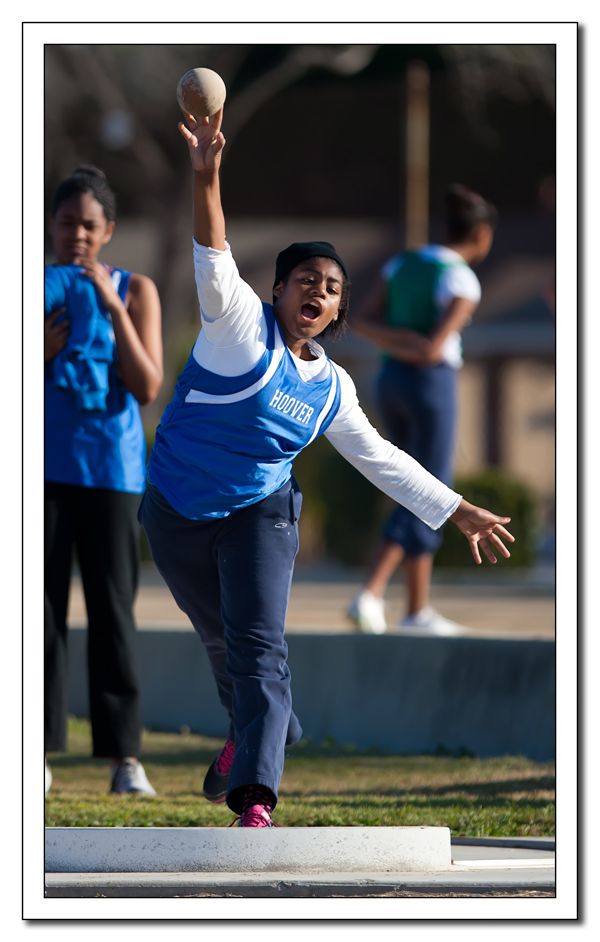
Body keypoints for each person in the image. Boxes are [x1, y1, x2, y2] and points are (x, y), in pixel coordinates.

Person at [139, 106, 514, 828]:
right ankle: (256, 730)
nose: (319, 291)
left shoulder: (332, 387)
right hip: (176, 511)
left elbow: (383, 459)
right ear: (278, 290)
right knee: (227, 647)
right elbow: (212, 252)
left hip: (260, 513)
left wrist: (455, 507)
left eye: (333, 286)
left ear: (338, 310)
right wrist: (208, 173)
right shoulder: (237, 328)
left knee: (260, 648)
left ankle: (255, 798)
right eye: (305, 278)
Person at [44, 166, 163, 796]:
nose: (78, 236)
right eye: (67, 223)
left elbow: (147, 387)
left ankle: (124, 758)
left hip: (113, 471)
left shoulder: (136, 288)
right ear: (51, 225)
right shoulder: (32, 285)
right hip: (40, 470)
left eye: (90, 225)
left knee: (113, 610)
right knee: (37, 612)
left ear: (109, 230)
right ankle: (33, 751)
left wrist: (113, 307)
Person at [347, 185, 498, 636]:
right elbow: (433, 348)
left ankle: (416, 608)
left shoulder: (401, 264)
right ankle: (372, 593)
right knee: (430, 488)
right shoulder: (462, 278)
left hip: (389, 379)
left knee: (408, 483)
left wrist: (398, 343)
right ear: (483, 235)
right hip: (431, 386)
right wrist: (417, 345)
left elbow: (362, 320)